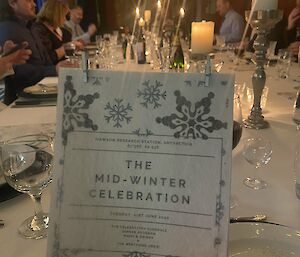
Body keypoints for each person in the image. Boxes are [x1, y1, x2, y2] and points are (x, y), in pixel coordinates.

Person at [0, 0, 74, 104]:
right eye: (29, 0)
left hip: (43, 91)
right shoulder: (8, 29)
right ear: (13, 3)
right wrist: (54, 70)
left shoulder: (29, 27)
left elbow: (45, 60)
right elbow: (17, 71)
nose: (34, 4)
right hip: (23, 100)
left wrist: (57, 67)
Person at [33, 0, 71, 64]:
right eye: (64, 15)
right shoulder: (39, 29)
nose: (65, 19)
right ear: (56, 15)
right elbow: (48, 58)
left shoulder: (53, 29)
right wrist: (67, 47)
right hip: (50, 72)